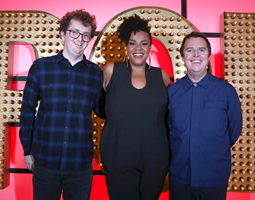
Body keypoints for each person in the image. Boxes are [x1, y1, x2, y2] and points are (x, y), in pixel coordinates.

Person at [19, 9, 103, 200]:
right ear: (63, 34)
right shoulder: (41, 67)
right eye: (74, 32)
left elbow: (102, 109)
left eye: (85, 35)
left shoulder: (95, 73)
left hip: (80, 165)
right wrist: (27, 150)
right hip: (45, 159)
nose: (80, 38)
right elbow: (27, 110)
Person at [99, 14, 171, 200]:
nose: (138, 48)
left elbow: (168, 116)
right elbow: (98, 107)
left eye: (143, 43)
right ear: (126, 46)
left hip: (156, 157)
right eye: (132, 43)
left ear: (150, 46)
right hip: (117, 156)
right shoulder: (110, 71)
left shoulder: (162, 76)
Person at [167, 32, 242, 200]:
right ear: (182, 56)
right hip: (180, 178)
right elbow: (167, 130)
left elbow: (234, 130)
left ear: (208, 55)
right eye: (190, 50)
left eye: (201, 50)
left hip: (214, 179)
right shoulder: (171, 93)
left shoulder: (226, 92)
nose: (195, 55)